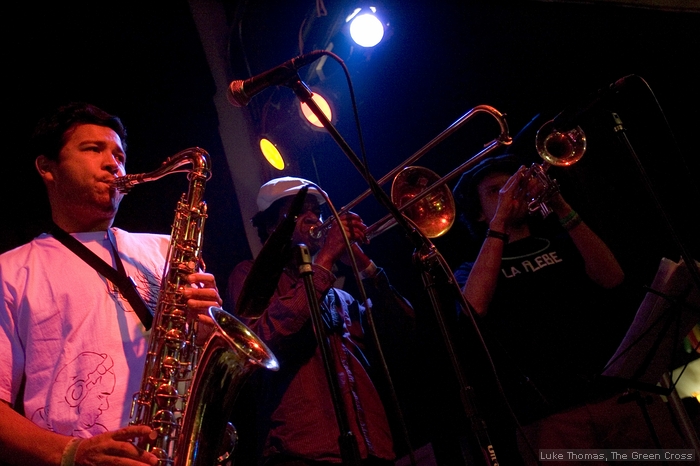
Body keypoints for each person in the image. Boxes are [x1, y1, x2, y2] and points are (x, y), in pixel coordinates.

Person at [0, 102, 223, 466]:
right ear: (47, 168)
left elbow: (200, 364)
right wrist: (72, 453)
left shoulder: (167, 250)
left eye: (119, 154)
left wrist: (205, 330)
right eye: (93, 150)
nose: (113, 164)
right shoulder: (9, 271)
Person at [451, 153, 690, 464]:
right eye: (495, 191)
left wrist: (558, 202)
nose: (509, 193)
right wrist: (500, 222)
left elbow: (612, 277)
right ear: (479, 214)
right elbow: (473, 308)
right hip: (549, 417)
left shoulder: (562, 243)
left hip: (616, 397)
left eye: (514, 186)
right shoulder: (470, 270)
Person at [226, 176, 415, 466]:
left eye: (317, 211)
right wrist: (325, 259)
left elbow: (404, 327)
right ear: (273, 227)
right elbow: (263, 340)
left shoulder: (339, 296)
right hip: (301, 451)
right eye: (301, 211)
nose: (314, 217)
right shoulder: (251, 276)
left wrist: (364, 265)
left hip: (372, 449)